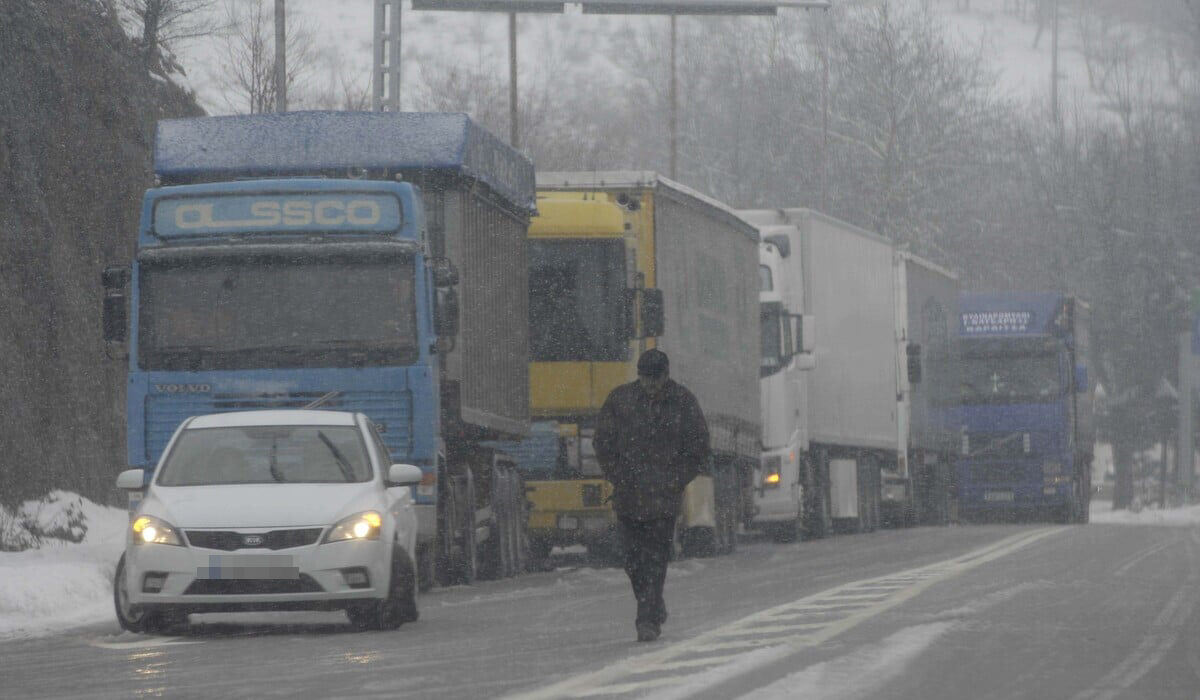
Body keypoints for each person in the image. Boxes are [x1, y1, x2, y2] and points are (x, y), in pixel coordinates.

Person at [594, 349, 710, 642]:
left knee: (656, 559)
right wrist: (617, 475)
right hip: (629, 497)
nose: (651, 387)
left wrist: (675, 480)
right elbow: (602, 443)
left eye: (655, 382)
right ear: (639, 376)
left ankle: (646, 619)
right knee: (631, 559)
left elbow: (698, 449)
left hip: (663, 499)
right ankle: (653, 604)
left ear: (666, 376)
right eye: (646, 381)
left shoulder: (684, 403)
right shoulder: (620, 401)